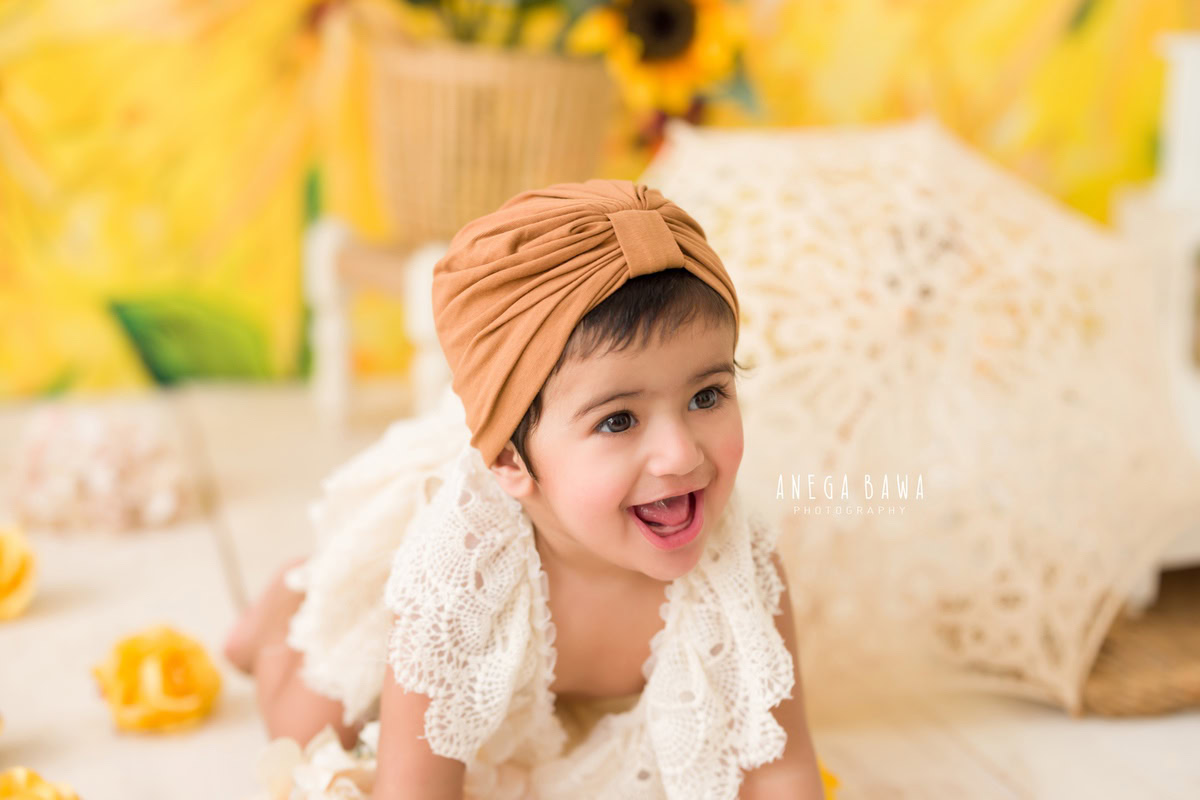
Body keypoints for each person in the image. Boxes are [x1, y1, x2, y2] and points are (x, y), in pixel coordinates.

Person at [225, 179, 836, 799]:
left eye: (706, 396)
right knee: (306, 736)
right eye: (618, 420)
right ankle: (281, 605)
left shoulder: (740, 565)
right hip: (430, 605)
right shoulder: (459, 570)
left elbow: (779, 764)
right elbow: (414, 792)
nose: (681, 454)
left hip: (551, 666)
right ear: (511, 460)